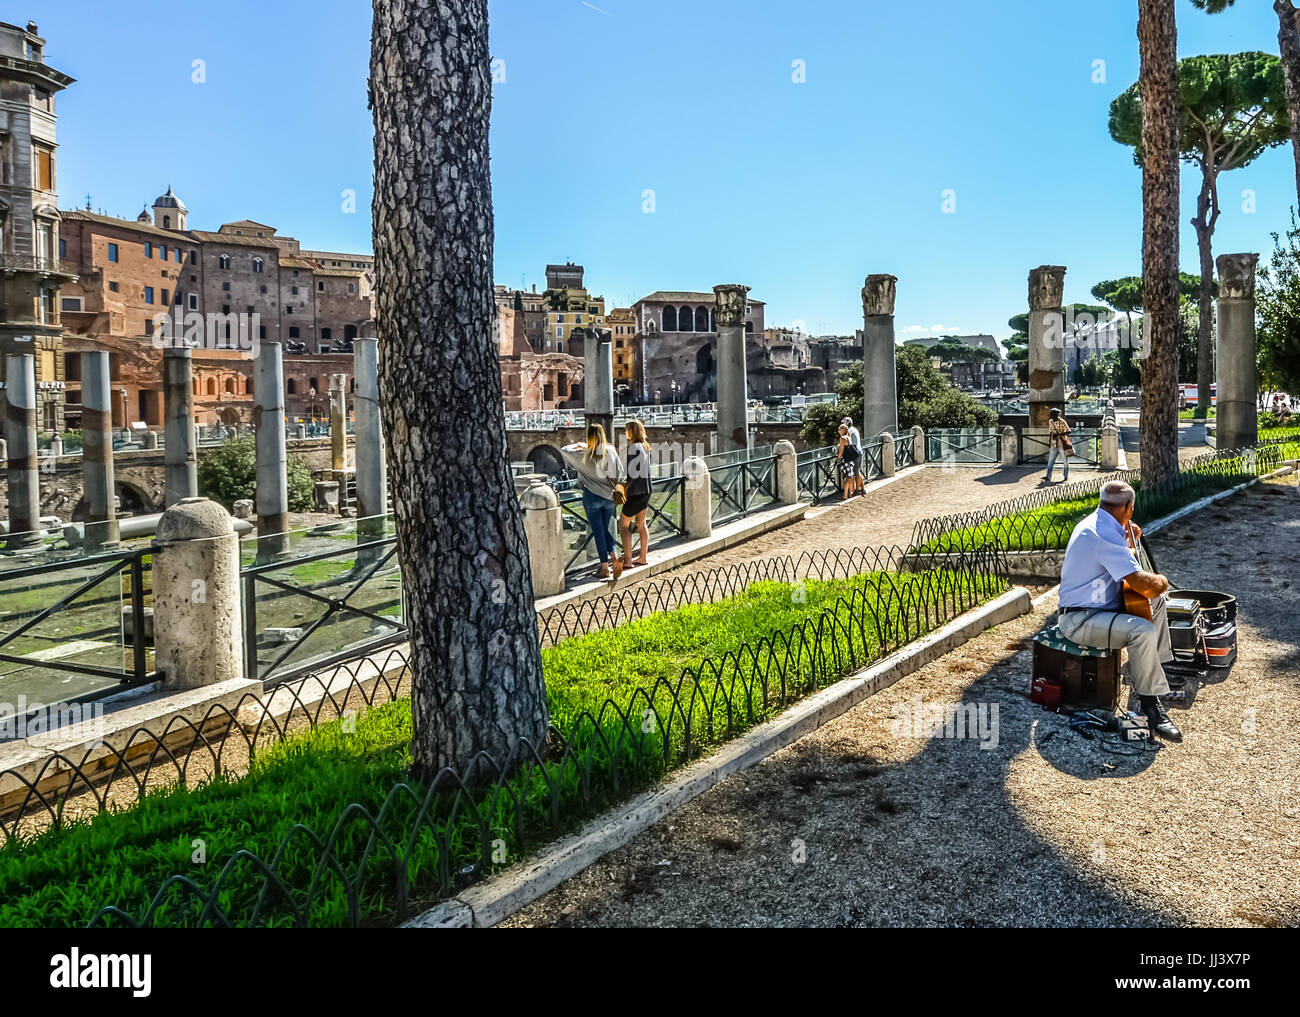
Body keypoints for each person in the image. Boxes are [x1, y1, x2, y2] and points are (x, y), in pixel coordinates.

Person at [1056, 481, 1181, 741]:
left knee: (1155, 603)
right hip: (1079, 620)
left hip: (1096, 611)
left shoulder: (1100, 522)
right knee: (1143, 629)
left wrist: (1126, 533)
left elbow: (1127, 575)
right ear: (1129, 507)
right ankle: (1151, 705)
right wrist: (1163, 581)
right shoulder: (1103, 534)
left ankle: (1156, 671)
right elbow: (1140, 583)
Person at [561, 424, 626, 581]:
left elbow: (564, 449)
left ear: (588, 436)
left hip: (591, 497)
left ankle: (605, 568)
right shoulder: (611, 451)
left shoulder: (583, 454)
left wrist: (579, 444)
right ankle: (615, 556)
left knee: (598, 531)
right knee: (606, 530)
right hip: (610, 497)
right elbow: (620, 475)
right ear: (604, 434)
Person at [618, 419, 653, 570]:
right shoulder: (646, 447)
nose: (626, 432)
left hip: (635, 492)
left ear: (631, 431)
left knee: (623, 525)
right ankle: (643, 557)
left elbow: (631, 472)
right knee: (641, 523)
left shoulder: (633, 448)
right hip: (646, 490)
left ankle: (628, 560)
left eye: (627, 430)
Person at [1045, 407, 1071, 483]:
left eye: (1054, 414)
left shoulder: (1062, 422)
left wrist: (1060, 434)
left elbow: (1069, 431)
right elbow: (1050, 432)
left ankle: (1066, 476)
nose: (1052, 415)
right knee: (1050, 461)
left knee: (1065, 461)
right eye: (1051, 414)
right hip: (1053, 444)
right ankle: (1048, 476)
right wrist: (1049, 442)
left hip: (1062, 444)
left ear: (1057, 414)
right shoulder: (1050, 422)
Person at [836, 423, 861, 501]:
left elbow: (842, 449)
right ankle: (850, 493)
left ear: (843, 430)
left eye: (839, 429)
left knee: (847, 478)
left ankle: (845, 495)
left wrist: (838, 457)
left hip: (845, 459)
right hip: (850, 460)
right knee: (851, 478)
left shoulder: (842, 438)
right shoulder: (848, 437)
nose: (838, 431)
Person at [842, 416, 866, 494]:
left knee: (856, 473)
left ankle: (857, 490)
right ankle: (862, 488)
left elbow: (849, 442)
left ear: (847, 423)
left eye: (844, 423)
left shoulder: (850, 431)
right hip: (858, 452)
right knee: (857, 471)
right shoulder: (854, 429)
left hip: (855, 453)